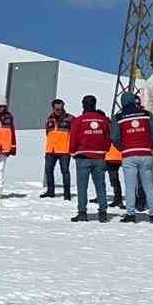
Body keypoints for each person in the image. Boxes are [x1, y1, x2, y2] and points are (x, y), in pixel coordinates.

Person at [112, 92, 153, 223]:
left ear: (122, 102)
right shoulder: (146, 115)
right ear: (134, 101)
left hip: (129, 155)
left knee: (130, 185)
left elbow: (114, 137)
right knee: (148, 185)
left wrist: (122, 147)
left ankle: (131, 214)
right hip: (146, 153)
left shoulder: (118, 117)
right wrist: (150, 142)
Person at [69, 95, 112, 223]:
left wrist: (72, 152)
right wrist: (104, 150)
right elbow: (108, 138)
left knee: (82, 186)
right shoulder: (103, 120)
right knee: (101, 185)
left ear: (83, 105)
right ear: (95, 104)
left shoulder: (79, 120)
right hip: (99, 157)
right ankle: (103, 213)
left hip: (82, 156)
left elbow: (73, 138)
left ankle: (82, 213)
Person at [42, 99, 73, 199]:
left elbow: (75, 134)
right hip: (51, 150)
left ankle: (67, 193)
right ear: (53, 108)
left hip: (64, 150)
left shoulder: (70, 119)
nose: (59, 110)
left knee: (65, 171)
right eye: (56, 109)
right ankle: (50, 191)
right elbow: (48, 133)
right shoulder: (49, 119)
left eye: (60, 108)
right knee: (48, 171)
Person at [104, 143, 126, 209]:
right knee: (115, 179)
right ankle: (118, 199)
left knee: (113, 179)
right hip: (120, 155)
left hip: (111, 156)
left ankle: (118, 199)